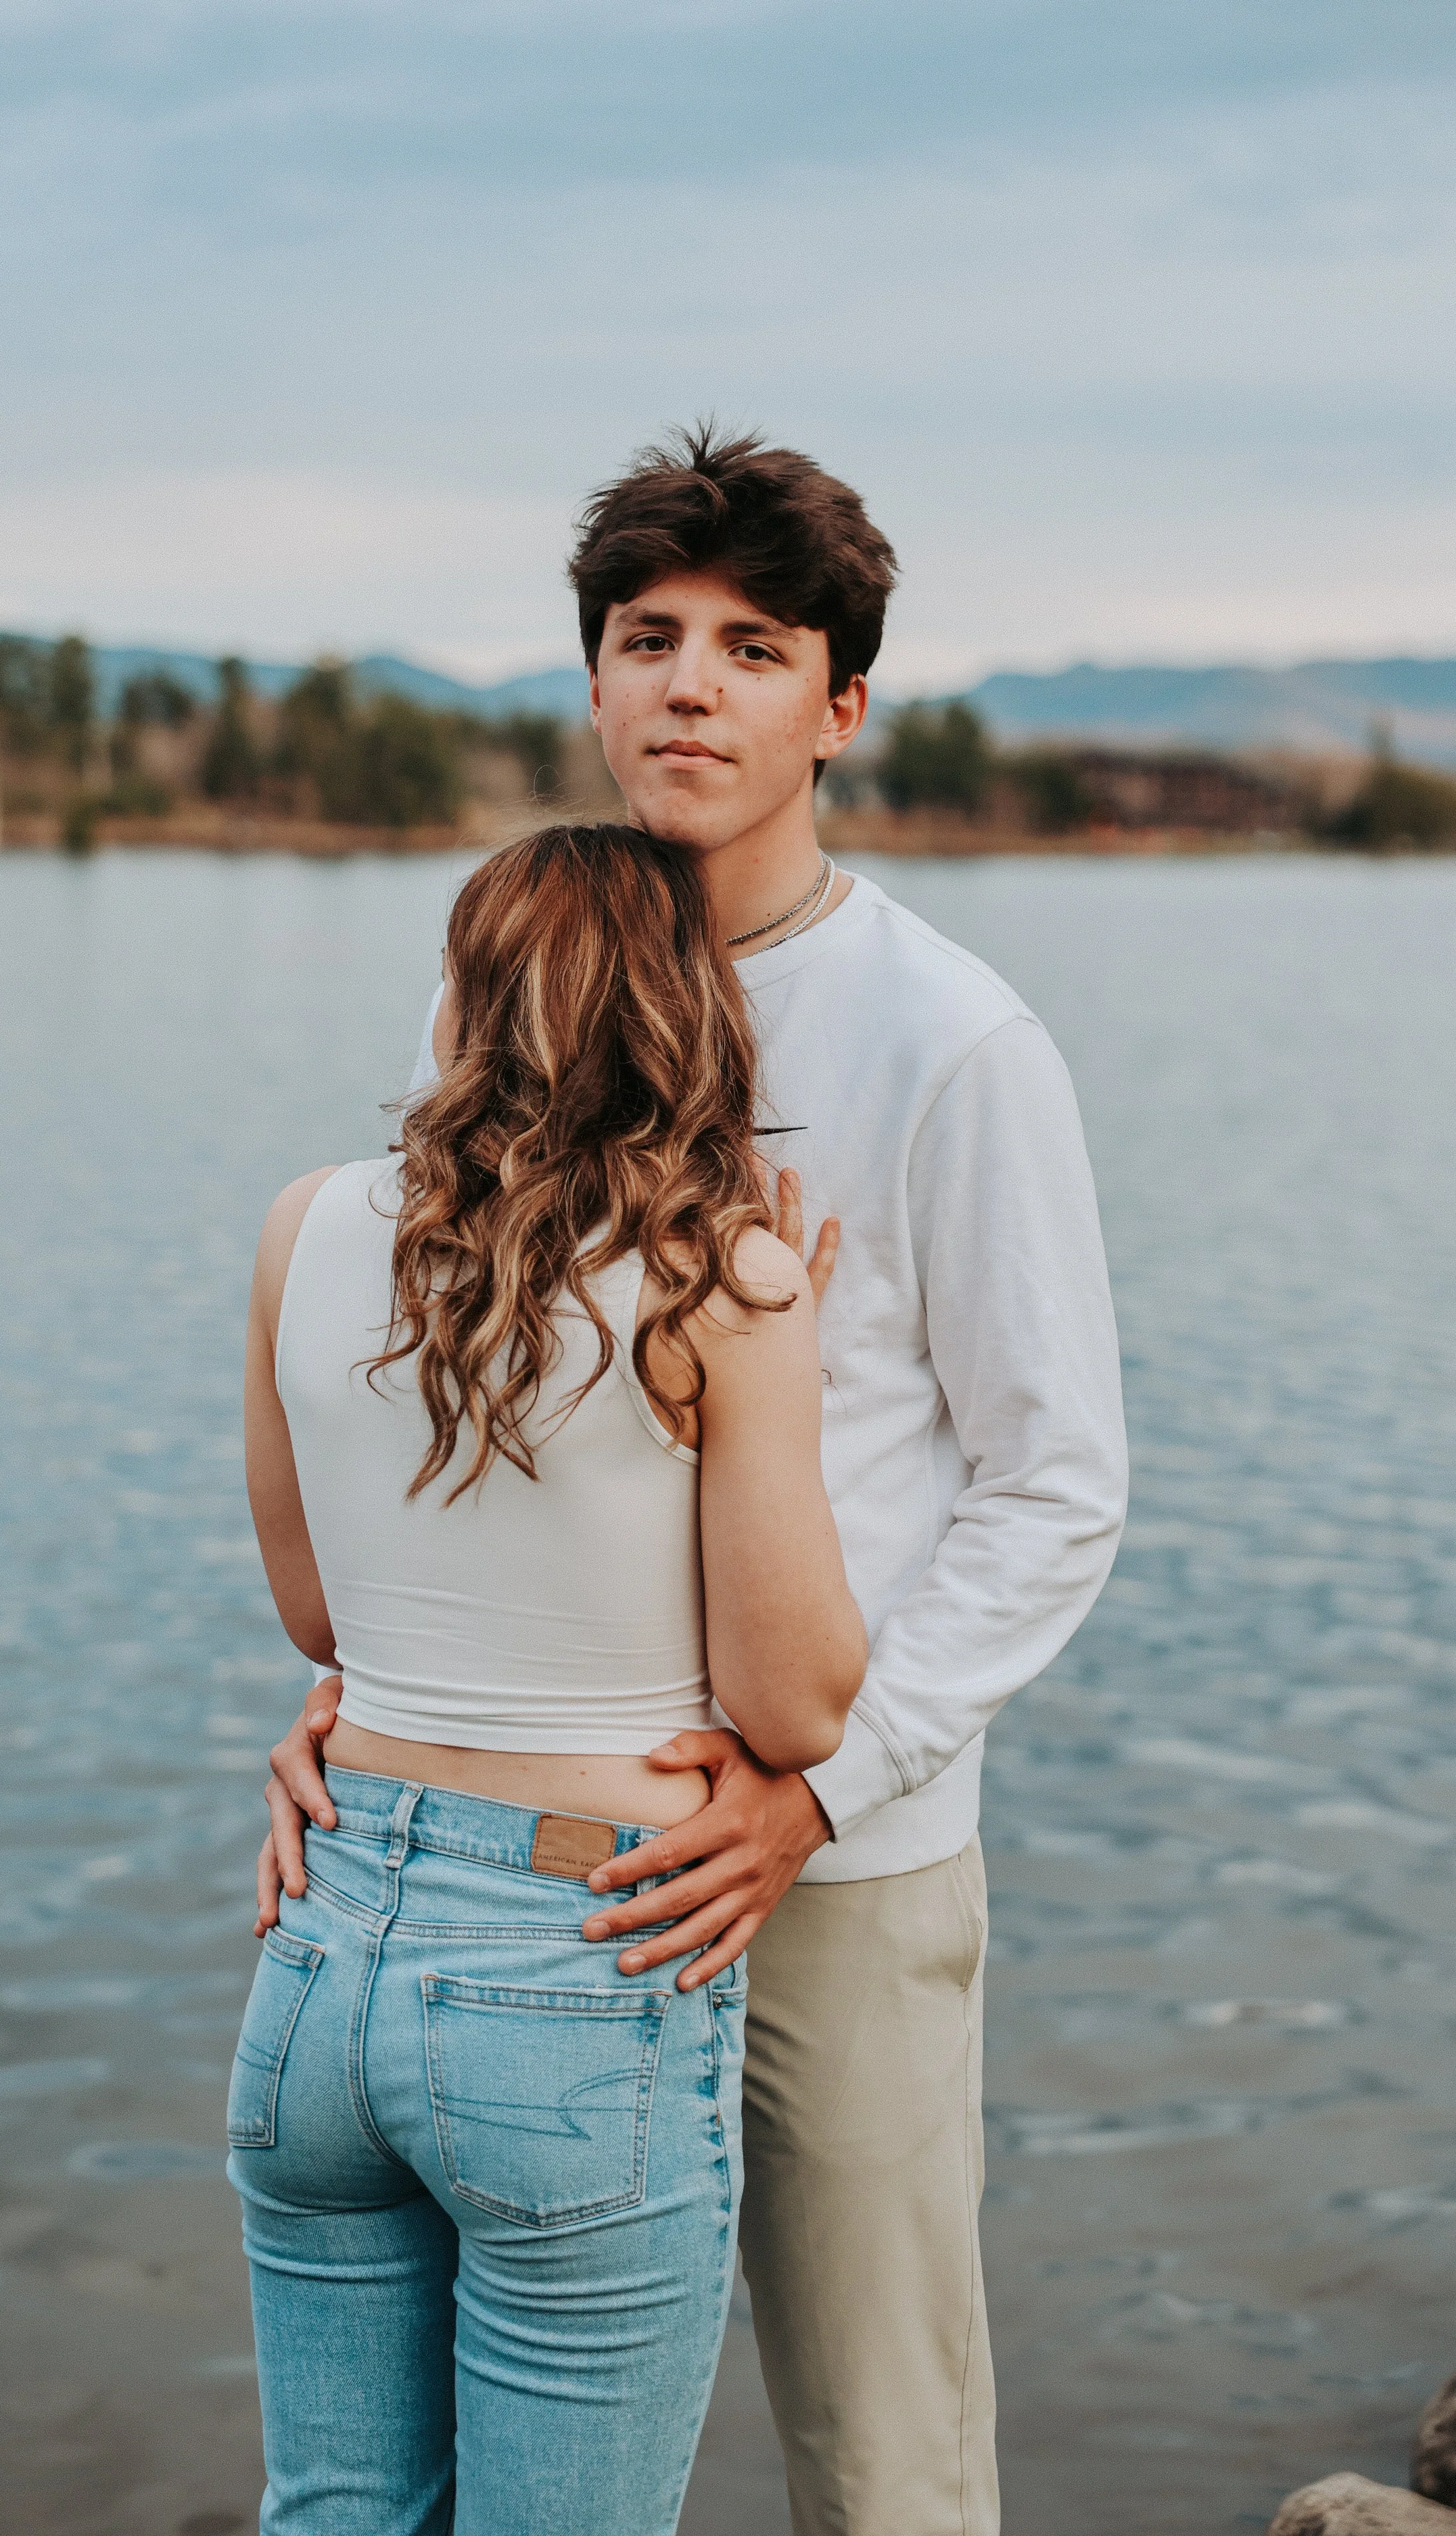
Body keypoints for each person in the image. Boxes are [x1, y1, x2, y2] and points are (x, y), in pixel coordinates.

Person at [259, 426, 1131, 2536]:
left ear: (839, 707)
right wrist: (359, 1709)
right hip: (523, 1881)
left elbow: (1055, 1485)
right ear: (590, 679)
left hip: (833, 1860)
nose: (688, 685)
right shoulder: (507, 989)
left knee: (880, 2453)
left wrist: (816, 1792)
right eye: (648, 636)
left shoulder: (949, 1040)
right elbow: (443, 1401)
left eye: (753, 649)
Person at [231, 819, 867, 2535]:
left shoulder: (305, 1227)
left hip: (323, 1949)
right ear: (684, 1013)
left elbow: (318, 1619)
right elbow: (797, 1704)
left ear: (463, 1000)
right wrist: (786, 1362)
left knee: (335, 2512)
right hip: (576, 1965)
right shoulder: (725, 1278)